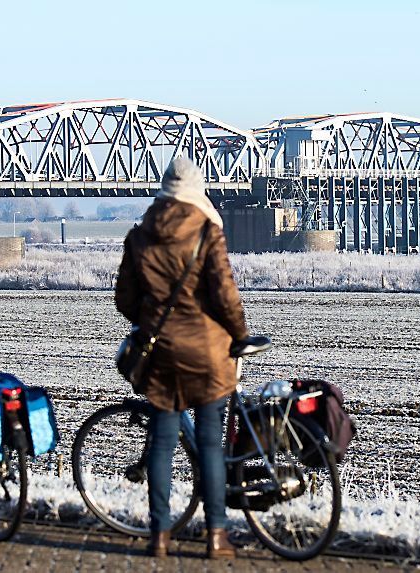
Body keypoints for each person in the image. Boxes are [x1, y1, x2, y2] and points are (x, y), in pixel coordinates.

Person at [114, 157, 248, 559]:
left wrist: (152, 320)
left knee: (161, 444)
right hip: (208, 353)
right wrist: (239, 334)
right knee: (209, 442)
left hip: (163, 356)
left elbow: (124, 298)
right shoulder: (207, 230)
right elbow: (224, 292)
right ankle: (216, 536)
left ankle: (159, 536)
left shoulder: (139, 234)